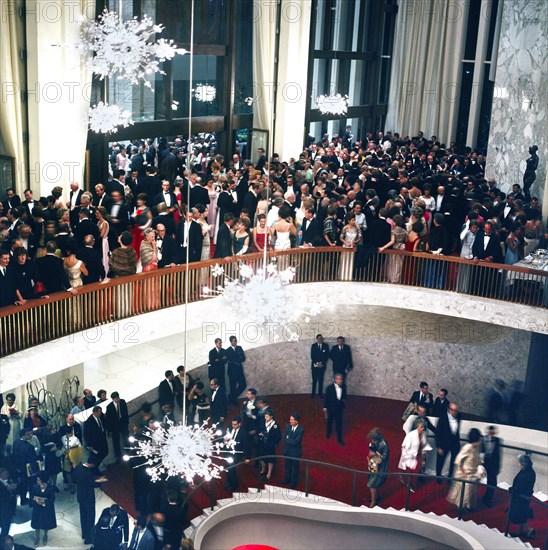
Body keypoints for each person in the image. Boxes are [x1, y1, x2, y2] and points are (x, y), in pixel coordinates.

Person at [447, 428, 484, 512]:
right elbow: (458, 460)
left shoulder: (477, 448)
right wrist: (463, 471)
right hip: (465, 475)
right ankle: (461, 508)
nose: (480, 442)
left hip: (473, 474)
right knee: (465, 494)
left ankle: (467, 507)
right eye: (479, 440)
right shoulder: (467, 447)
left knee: (471, 494)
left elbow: (477, 460)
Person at [72, 457, 107, 544]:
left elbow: (74, 480)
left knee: (83, 515)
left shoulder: (78, 468)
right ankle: (89, 538)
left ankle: (84, 534)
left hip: (80, 496)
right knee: (90, 517)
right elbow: (94, 484)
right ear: (92, 464)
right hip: (89, 498)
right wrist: (101, 481)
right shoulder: (89, 473)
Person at [508, 454, 536, 540]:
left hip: (520, 498)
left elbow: (519, 488)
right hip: (524, 497)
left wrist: (511, 489)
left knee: (520, 515)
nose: (518, 464)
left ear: (523, 464)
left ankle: (530, 529)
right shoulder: (530, 471)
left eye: (519, 463)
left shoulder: (525, 474)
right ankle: (519, 531)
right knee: (522, 515)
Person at [435, 402, 461, 480]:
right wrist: (438, 446)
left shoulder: (459, 416)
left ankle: (450, 477)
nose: (455, 412)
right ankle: (438, 477)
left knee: (454, 462)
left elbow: (456, 430)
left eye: (456, 410)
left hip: (455, 444)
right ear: (449, 410)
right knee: (440, 461)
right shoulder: (442, 418)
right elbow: (438, 432)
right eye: (453, 410)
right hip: (444, 443)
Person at [30, 472, 56, 547]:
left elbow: (52, 499)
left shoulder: (50, 488)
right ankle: (37, 537)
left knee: (46, 523)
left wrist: (44, 501)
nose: (37, 481)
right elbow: (32, 496)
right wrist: (36, 500)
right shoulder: (35, 487)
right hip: (37, 508)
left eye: (38, 480)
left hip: (46, 508)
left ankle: (45, 535)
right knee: (37, 523)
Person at [223, 417, 249, 491]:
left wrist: (247, 457)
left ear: (239, 424)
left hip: (237, 453)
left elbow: (247, 445)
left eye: (235, 424)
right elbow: (226, 437)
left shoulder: (243, 432)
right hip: (228, 451)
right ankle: (229, 482)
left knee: (231, 468)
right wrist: (225, 440)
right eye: (232, 424)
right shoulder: (230, 428)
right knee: (227, 467)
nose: (233, 426)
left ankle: (234, 484)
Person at [366, 428, 389, 507]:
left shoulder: (384, 445)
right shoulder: (375, 442)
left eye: (373, 440)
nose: (372, 442)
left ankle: (373, 501)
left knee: (372, 485)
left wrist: (375, 454)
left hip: (380, 467)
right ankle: (377, 497)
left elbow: (384, 459)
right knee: (373, 482)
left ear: (377, 439)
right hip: (373, 463)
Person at [257, 408, 281, 481]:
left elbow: (278, 436)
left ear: (271, 417)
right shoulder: (262, 422)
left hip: (270, 445)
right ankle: (263, 469)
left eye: (267, 417)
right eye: (265, 416)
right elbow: (259, 430)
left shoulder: (275, 425)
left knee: (271, 459)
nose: (265, 418)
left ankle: (269, 472)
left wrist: (274, 443)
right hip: (262, 444)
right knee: (262, 457)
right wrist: (259, 434)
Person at [281, 413, 304, 489]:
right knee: (287, 466)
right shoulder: (288, 426)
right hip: (287, 451)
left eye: (292, 419)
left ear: (296, 421)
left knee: (295, 468)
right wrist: (288, 438)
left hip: (295, 452)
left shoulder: (301, 429)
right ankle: (287, 479)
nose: (290, 421)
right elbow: (283, 437)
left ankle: (293, 483)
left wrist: (288, 438)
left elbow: (295, 442)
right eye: (290, 419)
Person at [105, 392, 129, 463]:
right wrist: (110, 430)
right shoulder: (109, 407)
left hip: (123, 424)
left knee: (126, 437)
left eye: (118, 398)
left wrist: (126, 422)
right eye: (116, 398)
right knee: (116, 441)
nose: (118, 399)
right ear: (113, 399)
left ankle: (128, 450)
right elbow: (109, 419)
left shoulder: (122, 402)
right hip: (115, 426)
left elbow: (125, 413)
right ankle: (118, 456)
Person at [323, 373, 347, 445]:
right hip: (331, 408)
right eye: (338, 379)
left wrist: (343, 404)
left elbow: (343, 396)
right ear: (335, 379)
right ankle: (328, 434)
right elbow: (326, 398)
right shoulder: (329, 388)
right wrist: (325, 407)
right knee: (329, 422)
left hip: (339, 409)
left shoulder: (344, 387)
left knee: (339, 424)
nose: (340, 381)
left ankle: (339, 439)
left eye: (341, 379)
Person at [481, 425, 502, 507]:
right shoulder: (483, 439)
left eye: (493, 433)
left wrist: (498, 467)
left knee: (492, 483)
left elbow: (499, 455)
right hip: (484, 463)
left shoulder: (498, 440)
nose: (492, 435)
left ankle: (488, 500)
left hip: (493, 465)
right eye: (491, 433)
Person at [84, 406, 108, 470]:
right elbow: (86, 435)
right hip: (95, 443)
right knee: (97, 455)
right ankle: (94, 468)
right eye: (99, 412)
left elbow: (104, 423)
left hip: (102, 439)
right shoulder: (89, 422)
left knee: (105, 452)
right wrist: (90, 445)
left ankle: (95, 467)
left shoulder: (101, 416)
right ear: (95, 412)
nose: (101, 413)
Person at [226, 336, 247, 407]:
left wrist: (235, 359)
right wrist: (237, 358)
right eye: (233, 341)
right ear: (231, 342)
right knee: (233, 387)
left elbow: (243, 358)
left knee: (243, 384)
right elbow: (229, 360)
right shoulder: (227, 350)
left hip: (239, 370)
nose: (235, 342)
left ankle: (232, 397)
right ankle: (234, 400)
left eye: (236, 341)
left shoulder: (239, 348)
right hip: (232, 371)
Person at [0, 468, 17, 540]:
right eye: (5, 474)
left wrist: (14, 488)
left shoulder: (10, 481)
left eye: (7, 474)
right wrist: (7, 488)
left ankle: (3, 540)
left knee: (6, 527)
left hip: (9, 510)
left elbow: (14, 495)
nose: (7, 475)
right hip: (1, 508)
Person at [310, 333, 329, 398]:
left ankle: (320, 394)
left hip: (322, 366)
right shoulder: (313, 346)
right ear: (317, 339)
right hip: (314, 366)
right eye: (318, 338)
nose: (320, 340)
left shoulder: (326, 346)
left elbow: (326, 356)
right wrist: (317, 363)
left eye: (321, 338)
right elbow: (312, 356)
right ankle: (313, 393)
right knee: (314, 380)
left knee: (321, 380)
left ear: (322, 339)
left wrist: (322, 364)